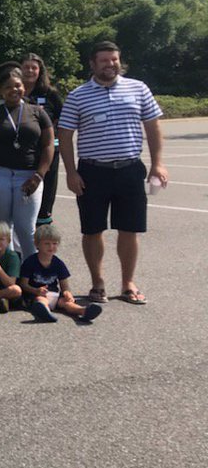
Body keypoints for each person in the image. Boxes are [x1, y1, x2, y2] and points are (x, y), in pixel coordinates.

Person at [57, 41, 166, 306]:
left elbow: (153, 127)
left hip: (130, 170)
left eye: (114, 59)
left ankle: (128, 284)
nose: (110, 64)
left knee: (130, 229)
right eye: (104, 60)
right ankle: (98, 284)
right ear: (93, 64)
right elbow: (65, 136)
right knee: (92, 230)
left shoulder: (138, 89)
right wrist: (71, 173)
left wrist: (158, 163)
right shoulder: (78, 95)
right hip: (92, 172)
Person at [0, 67, 53, 258]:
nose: (14, 90)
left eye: (17, 85)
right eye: (8, 87)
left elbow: (48, 145)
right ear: (0, 90)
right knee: (2, 228)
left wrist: (39, 175)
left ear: (24, 87)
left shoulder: (38, 112)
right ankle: (6, 270)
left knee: (26, 228)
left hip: (29, 176)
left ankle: (30, 270)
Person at [19, 224, 104, 324]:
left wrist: (67, 293)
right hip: (34, 295)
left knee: (67, 303)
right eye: (47, 244)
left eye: (54, 243)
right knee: (41, 300)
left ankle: (83, 311)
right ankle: (44, 312)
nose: (51, 247)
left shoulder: (58, 263)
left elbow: (65, 286)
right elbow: (23, 284)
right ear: (37, 244)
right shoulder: (30, 262)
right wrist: (35, 290)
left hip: (53, 294)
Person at [18, 53, 64, 225]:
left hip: (47, 153)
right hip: (22, 154)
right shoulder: (13, 91)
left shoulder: (50, 94)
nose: (30, 71)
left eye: (34, 68)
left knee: (45, 200)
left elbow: (62, 120)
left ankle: (43, 235)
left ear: (40, 71)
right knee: (22, 198)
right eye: (26, 67)